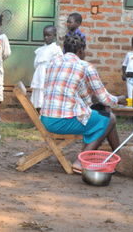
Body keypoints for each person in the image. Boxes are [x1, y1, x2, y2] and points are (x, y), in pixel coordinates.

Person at [40, 34, 126, 174]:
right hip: (62, 122)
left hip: (46, 119)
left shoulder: (53, 62)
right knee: (110, 119)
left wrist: (92, 104)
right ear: (80, 51)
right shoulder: (84, 66)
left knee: (101, 116)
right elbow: (105, 99)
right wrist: (119, 99)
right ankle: (81, 162)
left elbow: (83, 94)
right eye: (84, 51)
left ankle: (119, 160)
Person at [30, 25, 62, 112]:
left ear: (54, 36)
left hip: (48, 77)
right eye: (44, 35)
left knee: (45, 96)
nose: (46, 37)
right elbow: (36, 64)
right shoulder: (40, 49)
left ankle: (44, 116)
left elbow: (57, 65)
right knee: (38, 96)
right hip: (39, 77)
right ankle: (37, 115)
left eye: (49, 35)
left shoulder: (56, 49)